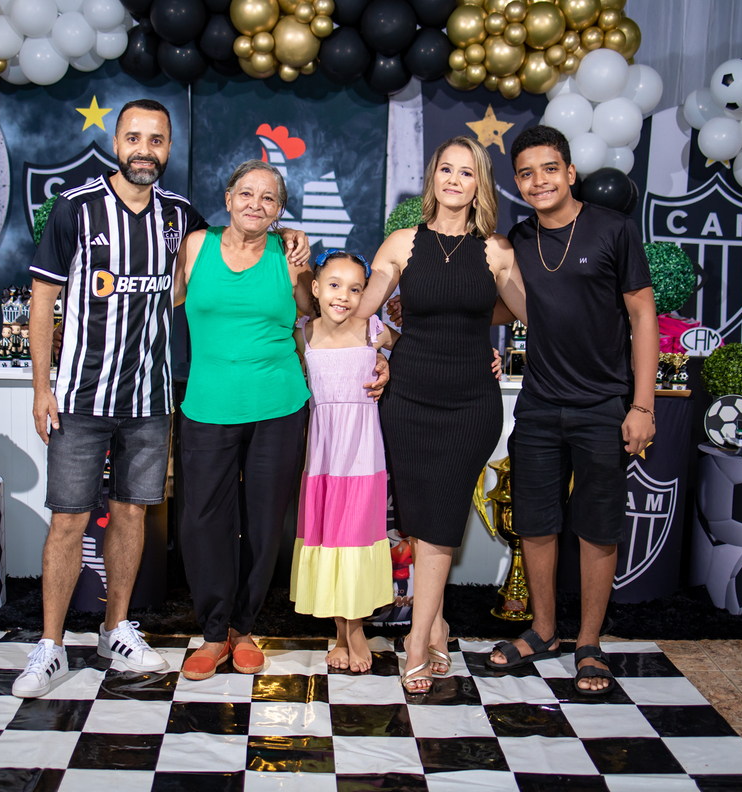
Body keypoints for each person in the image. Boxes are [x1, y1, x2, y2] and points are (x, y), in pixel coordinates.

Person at [17, 100, 309, 698]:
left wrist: (290, 237)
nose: (144, 149)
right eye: (134, 137)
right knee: (69, 518)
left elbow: (257, 253)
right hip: (82, 394)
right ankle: (49, 647)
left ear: (169, 148)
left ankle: (117, 628)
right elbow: (42, 299)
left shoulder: (180, 218)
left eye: (156, 139)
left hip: (151, 398)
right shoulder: (76, 207)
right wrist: (42, 385)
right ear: (117, 142)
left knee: (133, 514)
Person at [173, 159, 389, 681]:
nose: (256, 204)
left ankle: (244, 628)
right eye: (246, 194)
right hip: (207, 406)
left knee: (265, 522)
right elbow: (159, 304)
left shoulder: (290, 258)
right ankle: (213, 633)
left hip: (279, 407)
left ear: (280, 211)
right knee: (202, 521)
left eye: (268, 198)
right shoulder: (196, 246)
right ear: (228, 198)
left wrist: (382, 355)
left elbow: (327, 321)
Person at [484, 124, 658, 697]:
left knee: (598, 527)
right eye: (526, 173)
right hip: (539, 404)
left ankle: (588, 642)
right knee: (536, 522)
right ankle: (543, 630)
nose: (539, 181)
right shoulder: (519, 239)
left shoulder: (613, 229)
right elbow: (505, 308)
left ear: (571, 172)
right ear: (517, 182)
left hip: (604, 404)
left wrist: (642, 404)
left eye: (549, 169)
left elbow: (643, 316)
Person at [356, 136, 528, 693]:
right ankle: (438, 625)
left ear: (480, 184)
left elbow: (533, 311)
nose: (454, 180)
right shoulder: (402, 243)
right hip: (407, 401)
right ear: (433, 177)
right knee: (417, 518)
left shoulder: (497, 251)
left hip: (470, 406)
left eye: (467, 172)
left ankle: (416, 640)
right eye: (446, 169)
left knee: (440, 524)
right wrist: (374, 343)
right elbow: (363, 310)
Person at [290, 250, 399, 673]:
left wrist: (386, 363)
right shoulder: (304, 334)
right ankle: (342, 633)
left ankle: (353, 631)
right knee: (331, 539)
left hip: (363, 456)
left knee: (355, 539)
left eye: (356, 289)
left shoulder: (373, 330)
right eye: (334, 285)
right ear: (316, 288)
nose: (344, 296)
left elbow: (415, 351)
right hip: (323, 458)